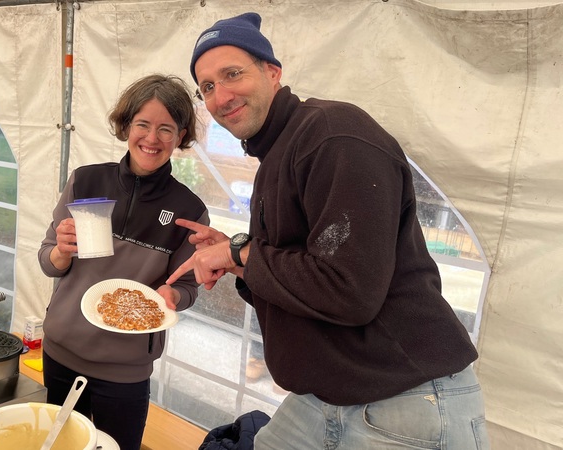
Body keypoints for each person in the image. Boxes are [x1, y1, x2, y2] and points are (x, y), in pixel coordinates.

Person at [167, 12, 490, 449]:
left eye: (232, 74)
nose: (220, 96)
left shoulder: (333, 134)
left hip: (408, 396)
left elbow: (349, 289)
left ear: (272, 72)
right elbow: (304, 277)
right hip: (327, 397)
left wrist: (239, 254)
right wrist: (240, 260)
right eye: (207, 86)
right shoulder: (277, 155)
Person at [37, 74, 209, 450]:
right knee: (57, 446)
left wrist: (172, 297)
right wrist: (61, 251)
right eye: (143, 124)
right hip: (61, 351)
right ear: (127, 125)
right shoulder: (86, 181)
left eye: (166, 129)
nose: (152, 138)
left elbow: (187, 287)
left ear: (180, 136)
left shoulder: (188, 209)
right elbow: (48, 261)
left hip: (125, 370)